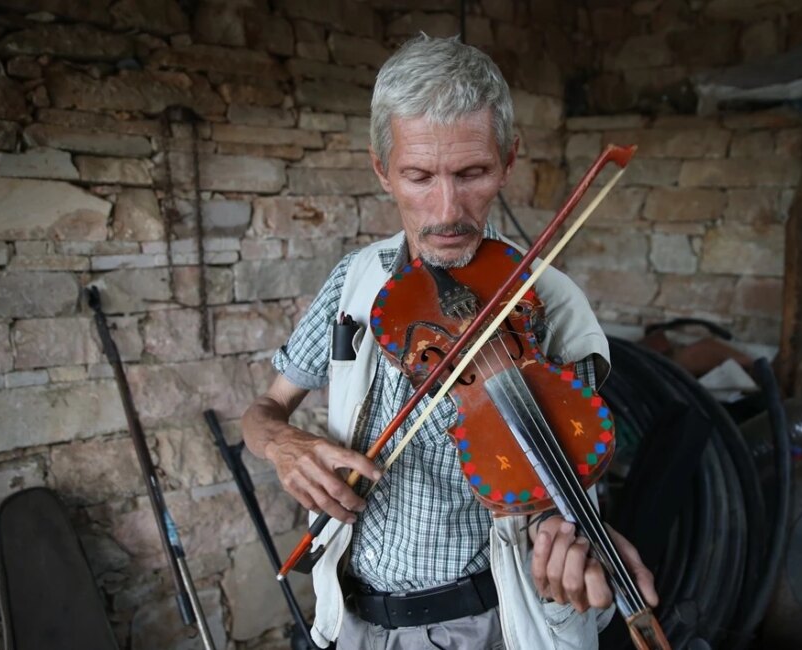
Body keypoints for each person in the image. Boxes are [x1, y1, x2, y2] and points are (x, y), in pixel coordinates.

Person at [242, 35, 657, 650]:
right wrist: (282, 444)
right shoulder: (355, 281)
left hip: (479, 627)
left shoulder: (553, 305)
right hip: (350, 620)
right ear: (382, 170)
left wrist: (569, 536)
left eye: (472, 173)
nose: (447, 209)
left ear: (508, 162)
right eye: (419, 176)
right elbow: (263, 411)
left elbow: (561, 489)